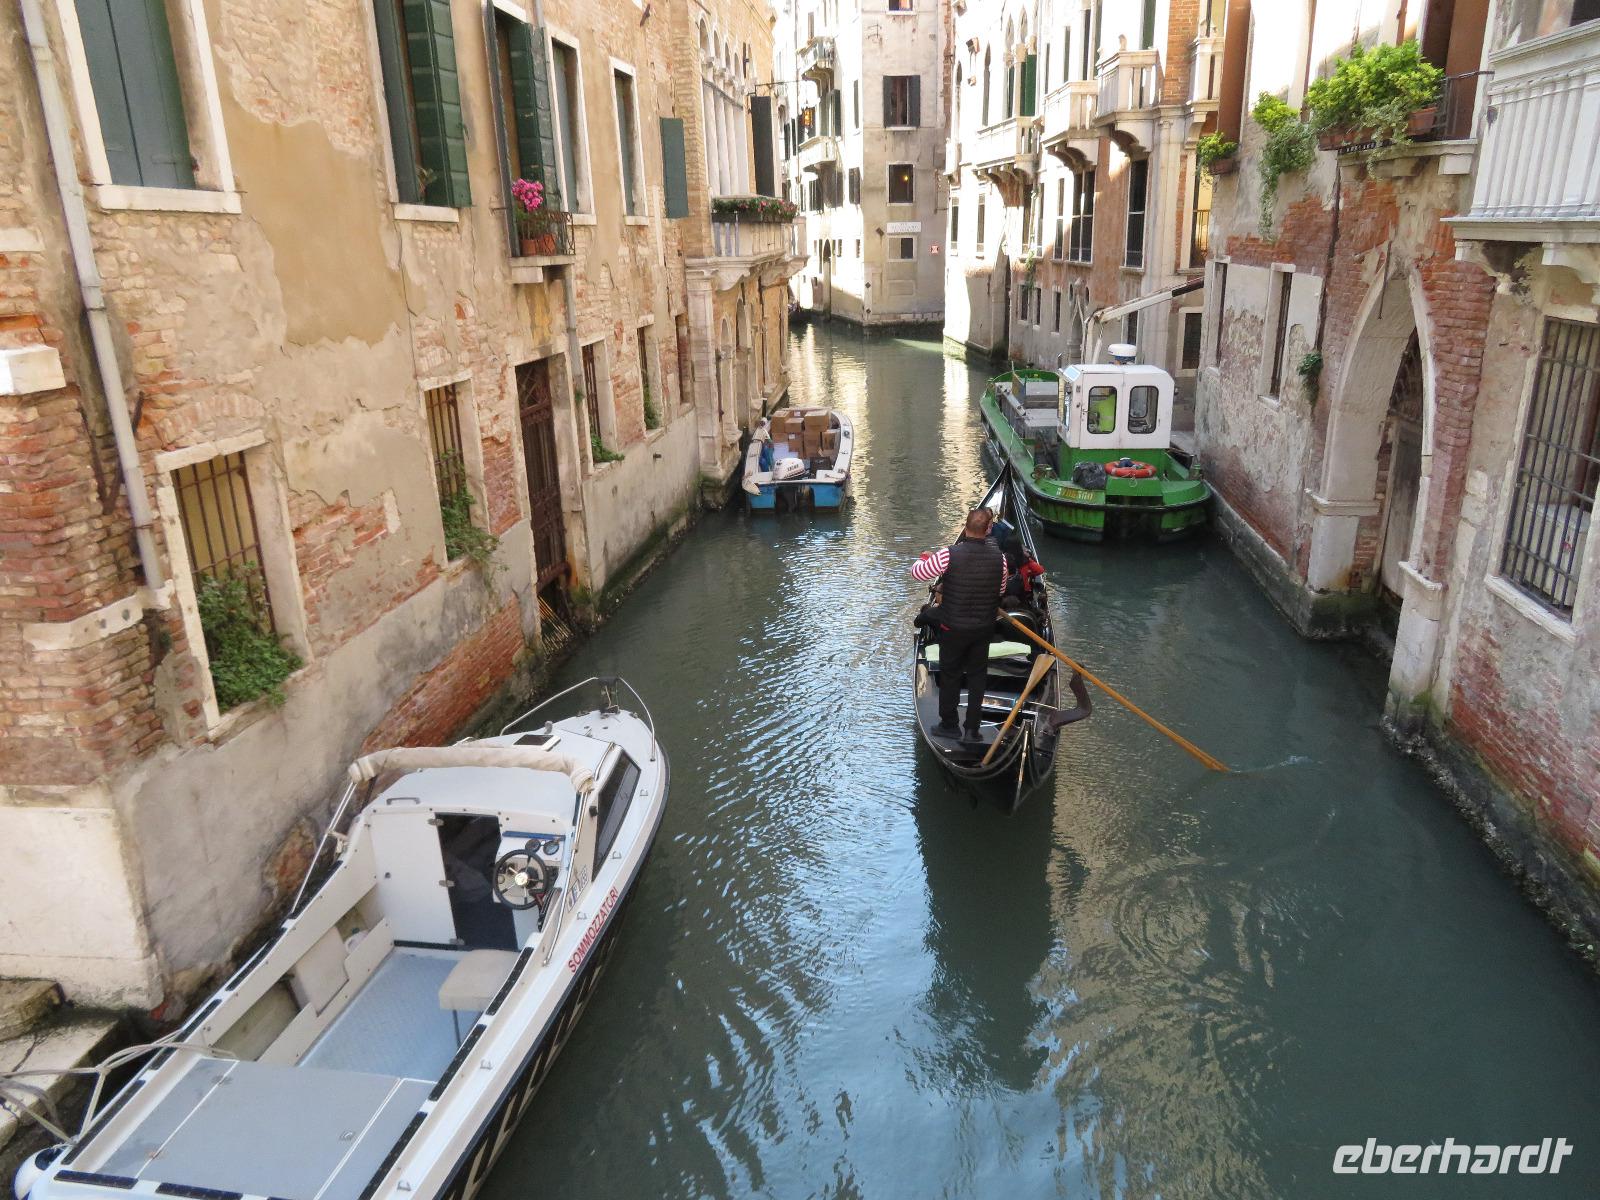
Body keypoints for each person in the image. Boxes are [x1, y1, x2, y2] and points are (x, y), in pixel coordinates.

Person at [912, 508, 1009, 741]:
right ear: (988, 530)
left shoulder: (948, 555)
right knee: (977, 677)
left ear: (965, 527)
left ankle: (949, 725)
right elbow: (1001, 591)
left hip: (952, 629)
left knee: (951, 675)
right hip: (983, 629)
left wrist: (924, 558)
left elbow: (917, 573)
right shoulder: (1001, 559)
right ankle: (972, 730)